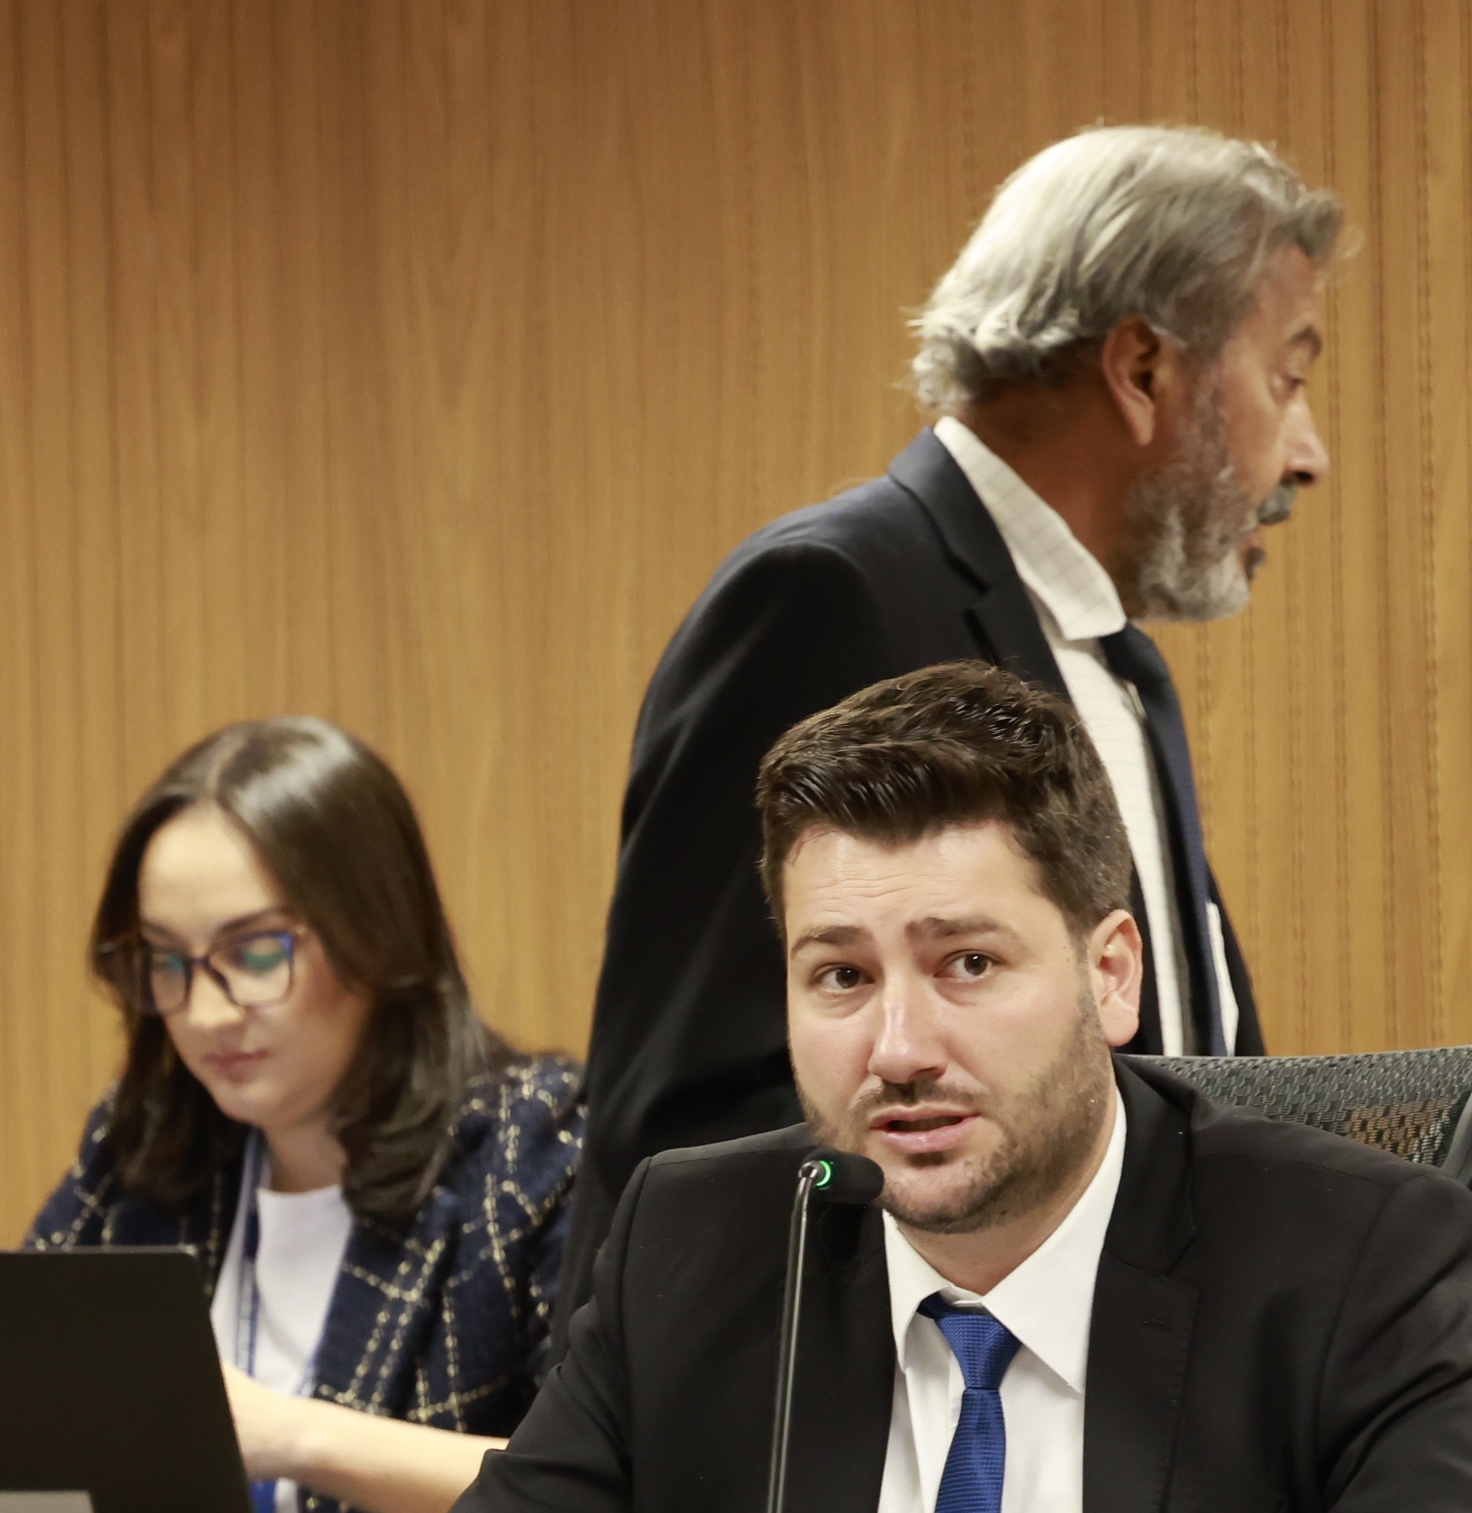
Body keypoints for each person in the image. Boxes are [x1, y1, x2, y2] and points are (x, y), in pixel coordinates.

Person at [327, 664, 1472, 1513]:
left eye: (967, 964)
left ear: (1111, 974)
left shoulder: (1340, 1246)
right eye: (841, 976)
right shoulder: (701, 1243)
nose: (899, 1048)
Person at [570, 125, 1344, 1299]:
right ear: (1142, 371)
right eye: (1286, 378)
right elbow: (694, 1126)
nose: (1307, 453)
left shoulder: (1121, 667)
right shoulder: (826, 598)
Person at [27, 718, 578, 1513]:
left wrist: (294, 1437)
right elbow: (2, 1414)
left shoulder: (530, 1151)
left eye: (254, 954)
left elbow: (586, 1493)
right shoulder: (140, 1149)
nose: (205, 1013)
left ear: (375, 932)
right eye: (167, 961)